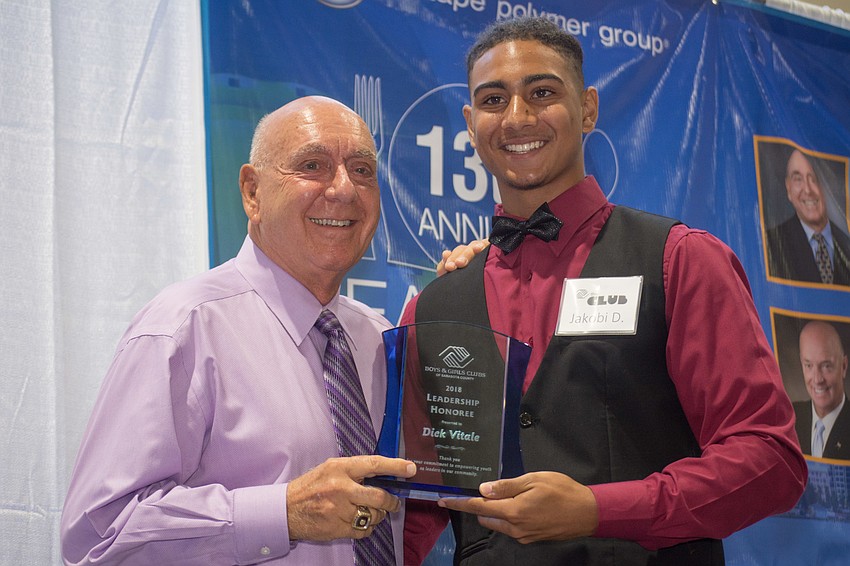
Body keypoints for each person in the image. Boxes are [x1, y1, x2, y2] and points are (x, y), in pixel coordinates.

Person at [402, 16, 807, 565]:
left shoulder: (679, 260)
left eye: (542, 93)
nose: (517, 117)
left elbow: (769, 460)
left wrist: (600, 509)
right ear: (472, 124)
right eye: (494, 100)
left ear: (588, 108)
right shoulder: (433, 307)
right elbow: (416, 508)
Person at [60, 96, 419, 565]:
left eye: (362, 170)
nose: (344, 189)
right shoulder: (182, 329)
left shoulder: (380, 340)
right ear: (252, 192)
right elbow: (99, 537)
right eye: (312, 165)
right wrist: (283, 514)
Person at [766, 148, 850, 285]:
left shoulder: (846, 242)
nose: (808, 190)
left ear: (828, 186)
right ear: (788, 188)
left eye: (814, 179)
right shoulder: (772, 244)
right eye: (798, 179)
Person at [793, 320, 850, 460]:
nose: (817, 379)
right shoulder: (790, 416)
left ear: (843, 366)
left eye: (826, 366)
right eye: (809, 366)